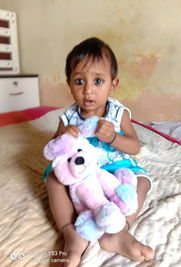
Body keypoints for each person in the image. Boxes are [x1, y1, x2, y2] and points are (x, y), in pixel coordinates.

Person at [44, 37, 155, 267]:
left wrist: (114, 138)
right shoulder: (68, 118)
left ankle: (119, 231)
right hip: (81, 174)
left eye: (97, 81)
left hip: (114, 168)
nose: (88, 90)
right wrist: (65, 137)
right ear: (69, 84)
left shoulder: (118, 113)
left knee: (142, 180)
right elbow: (54, 149)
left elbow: (135, 146)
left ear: (112, 85)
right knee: (53, 178)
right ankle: (70, 234)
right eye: (79, 81)